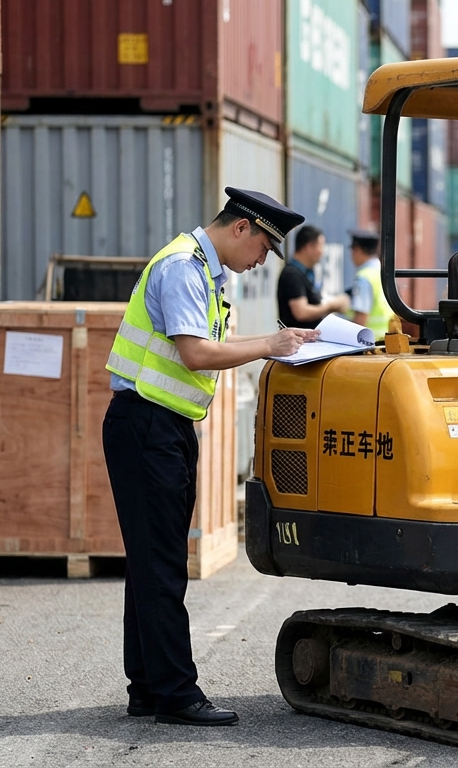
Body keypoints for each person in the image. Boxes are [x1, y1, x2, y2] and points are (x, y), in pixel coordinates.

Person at [102, 188, 318, 726]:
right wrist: (271, 345)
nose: (262, 261)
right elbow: (197, 352)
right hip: (147, 426)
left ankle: (148, 687)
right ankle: (176, 693)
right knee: (163, 565)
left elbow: (208, 344)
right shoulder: (181, 267)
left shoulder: (204, 271)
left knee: (153, 562)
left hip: (163, 427)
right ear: (241, 227)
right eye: (264, 247)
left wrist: (282, 339)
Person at [277, 225, 350, 329]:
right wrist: (331, 306)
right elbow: (301, 313)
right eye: (321, 246)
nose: (322, 252)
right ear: (309, 247)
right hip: (298, 343)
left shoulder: (307, 272)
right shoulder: (292, 274)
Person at [348, 228, 394, 333]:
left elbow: (361, 319)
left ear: (358, 249)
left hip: (369, 342)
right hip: (387, 339)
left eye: (352, 250)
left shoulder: (364, 277)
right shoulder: (383, 271)